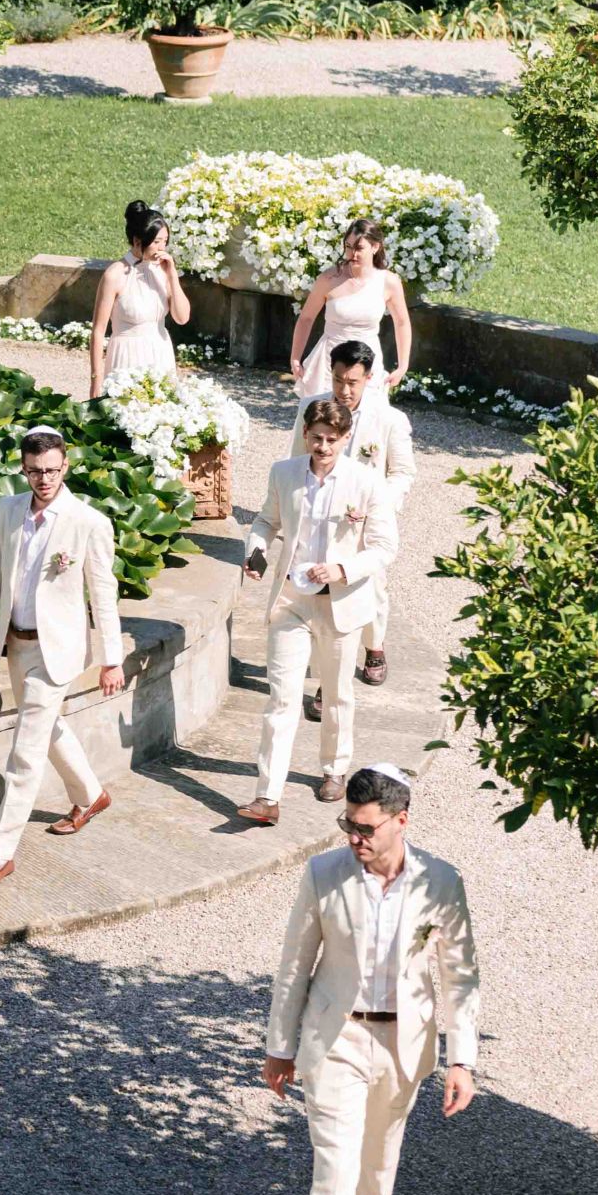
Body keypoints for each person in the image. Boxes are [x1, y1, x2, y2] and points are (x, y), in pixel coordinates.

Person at [263, 762, 479, 1195]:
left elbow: (459, 973)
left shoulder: (441, 882)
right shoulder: (323, 874)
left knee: (379, 1159)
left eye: (364, 828)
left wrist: (461, 1058)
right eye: (347, 826)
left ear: (400, 821)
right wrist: (280, 1047)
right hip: (336, 1040)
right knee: (333, 1173)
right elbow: (293, 964)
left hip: (403, 1047)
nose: (354, 839)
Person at [0, 425, 125, 880]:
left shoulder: (89, 522)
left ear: (65, 465)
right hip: (16, 644)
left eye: (51, 470)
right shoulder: (7, 510)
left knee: (24, 750)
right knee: (45, 727)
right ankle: (89, 795)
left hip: (58, 650)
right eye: (33, 472)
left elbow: (103, 595)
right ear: (23, 469)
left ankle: (1, 854)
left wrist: (112, 658)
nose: (43, 480)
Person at [242, 397, 398, 821]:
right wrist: (254, 551)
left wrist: (342, 568)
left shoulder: (366, 483)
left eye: (332, 440)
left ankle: (334, 769)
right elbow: (265, 522)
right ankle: (268, 795)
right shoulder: (284, 472)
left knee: (336, 695)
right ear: (306, 435)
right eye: (316, 438)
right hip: (292, 601)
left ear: (346, 440)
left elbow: (385, 548)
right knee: (281, 698)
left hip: (341, 604)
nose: (323, 447)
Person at [301, 343, 416, 716]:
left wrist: (378, 505)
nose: (344, 390)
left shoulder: (389, 419)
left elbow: (402, 472)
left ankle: (375, 645)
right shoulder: (315, 408)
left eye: (352, 382)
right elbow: (296, 459)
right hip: (324, 516)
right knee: (325, 597)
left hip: (368, 518)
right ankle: (326, 680)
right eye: (337, 379)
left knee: (372, 587)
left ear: (369, 378)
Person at [292, 219, 413, 400]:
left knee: (366, 419)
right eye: (348, 247)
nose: (352, 254)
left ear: (375, 247)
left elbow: (402, 322)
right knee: (324, 419)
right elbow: (306, 318)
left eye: (359, 248)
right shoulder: (329, 278)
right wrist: (295, 358)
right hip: (329, 360)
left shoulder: (389, 281)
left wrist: (403, 366)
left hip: (367, 360)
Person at [89, 200, 191, 394]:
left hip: (160, 351)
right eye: (156, 242)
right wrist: (96, 379)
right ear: (137, 241)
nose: (162, 248)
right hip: (126, 354)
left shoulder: (162, 270)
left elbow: (182, 317)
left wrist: (171, 275)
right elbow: (98, 330)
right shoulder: (115, 275)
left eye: (165, 241)